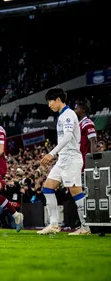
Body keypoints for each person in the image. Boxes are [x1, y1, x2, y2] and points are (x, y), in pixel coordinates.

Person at [39, 88, 86, 235]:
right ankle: (54, 224)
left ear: (58, 99)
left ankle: (86, 226)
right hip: (63, 158)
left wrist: (52, 153)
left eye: (50, 101)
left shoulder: (68, 114)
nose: (49, 105)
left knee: (75, 191)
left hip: (71, 158)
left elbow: (67, 137)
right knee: (47, 187)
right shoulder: (62, 115)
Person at [70, 101, 98, 235]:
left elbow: (93, 140)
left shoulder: (87, 123)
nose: (75, 110)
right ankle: (85, 224)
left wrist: (93, 161)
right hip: (79, 164)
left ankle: (87, 224)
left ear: (83, 110)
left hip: (86, 165)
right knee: (81, 194)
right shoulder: (79, 124)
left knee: (83, 194)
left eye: (77, 108)